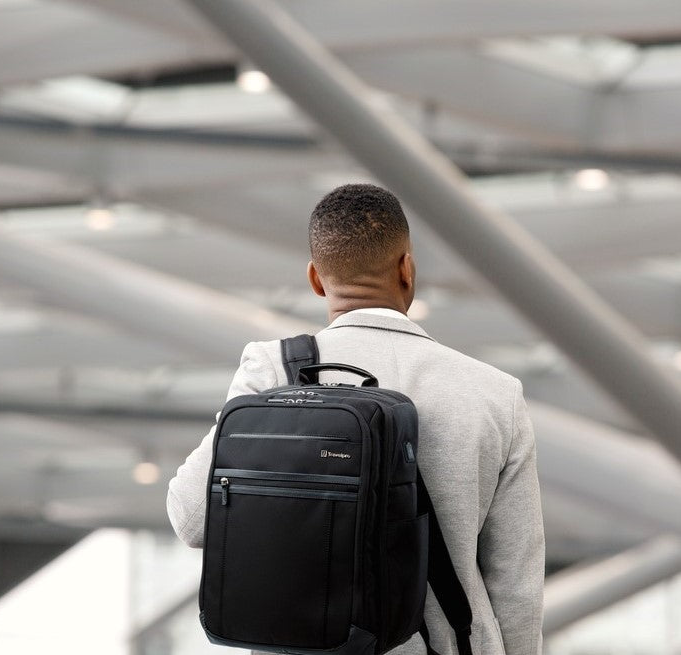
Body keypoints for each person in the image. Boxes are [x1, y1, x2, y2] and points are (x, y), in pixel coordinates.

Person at [167, 183, 545, 654]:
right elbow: (516, 588)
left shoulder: (276, 372)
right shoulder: (495, 393)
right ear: (407, 269)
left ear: (316, 279)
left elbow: (190, 519)